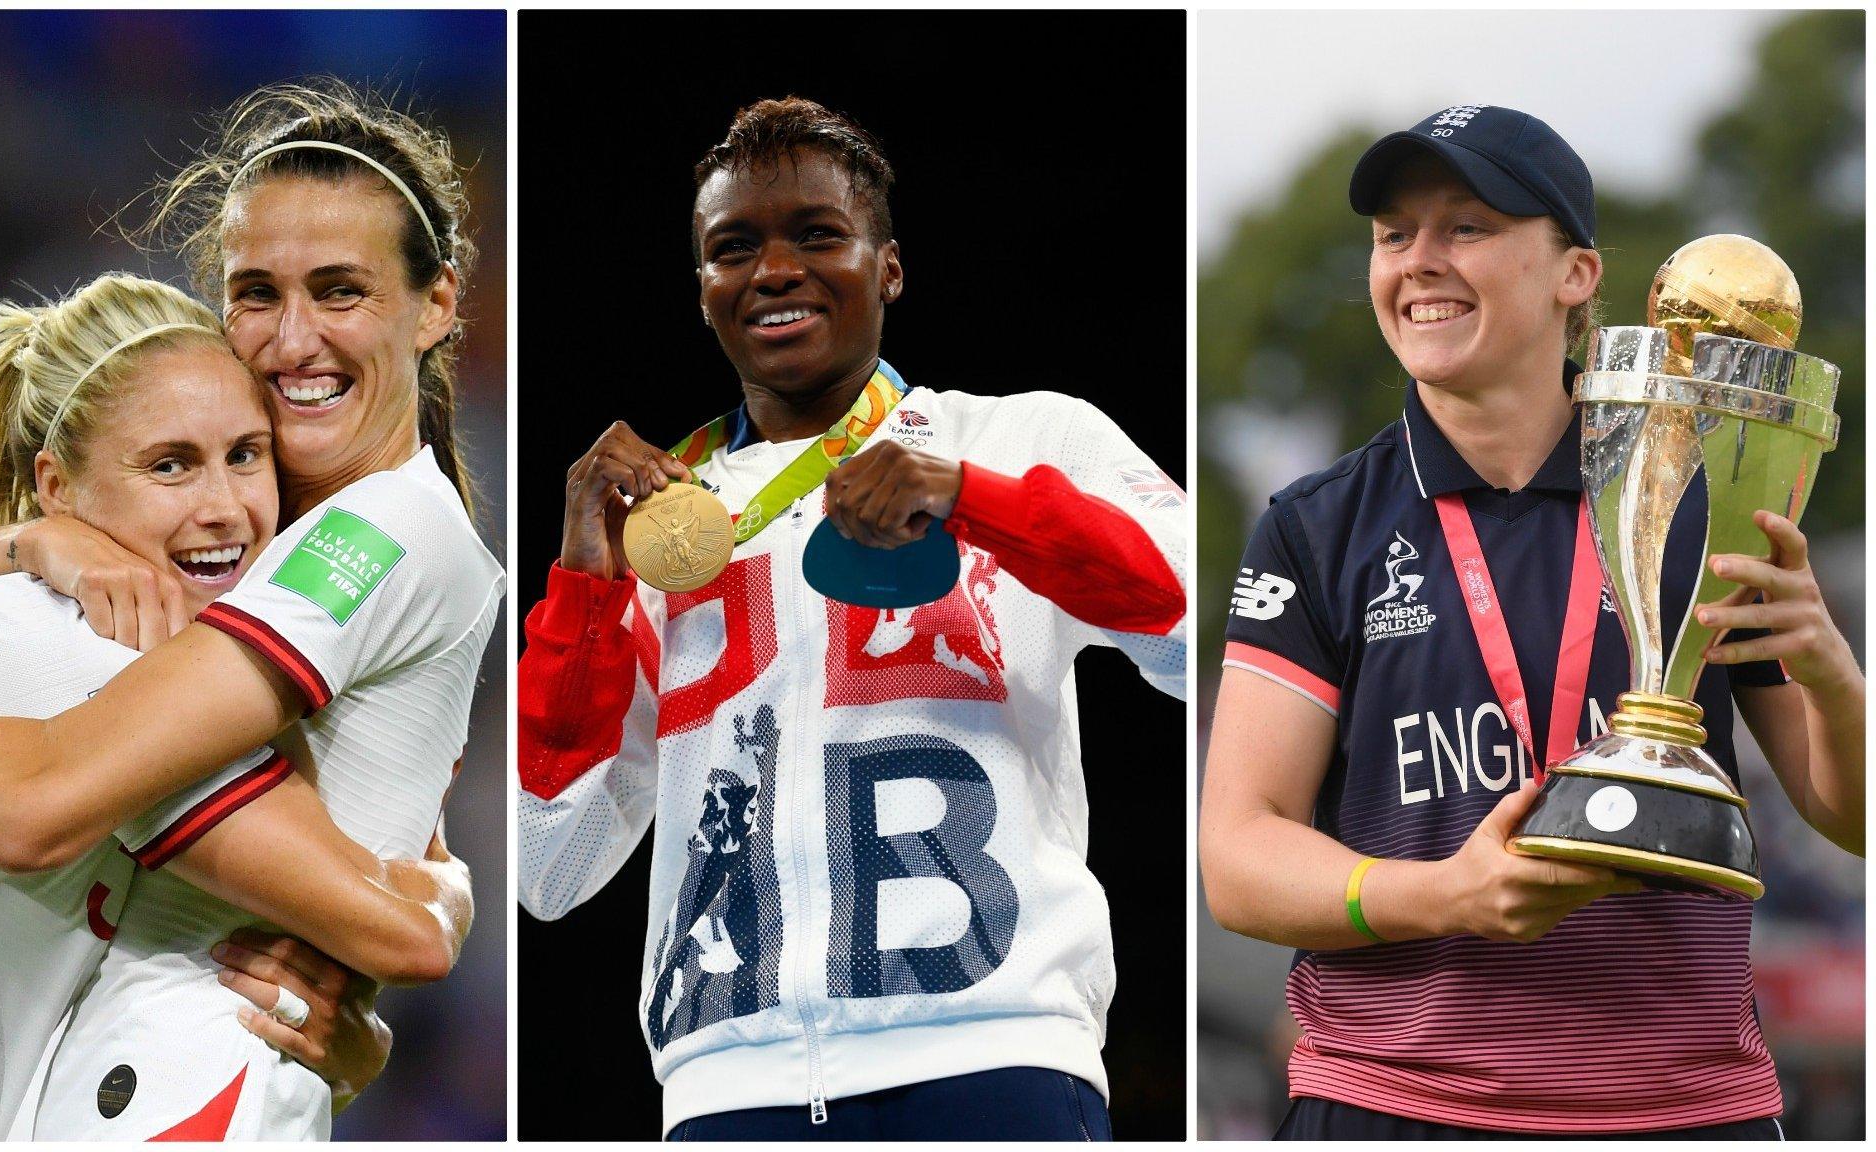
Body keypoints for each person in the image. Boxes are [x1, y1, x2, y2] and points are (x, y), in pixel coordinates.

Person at [0, 79, 505, 1139]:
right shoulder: (87, 631)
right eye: (255, 293)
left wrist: (425, 923)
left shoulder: (364, 539)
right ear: (60, 487)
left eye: (340, 290)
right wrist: (429, 912)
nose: (293, 341)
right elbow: (31, 809)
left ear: (437, 304)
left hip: (160, 1091)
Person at [518, 96, 1186, 1141]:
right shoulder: (662, 529)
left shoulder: (1020, 436)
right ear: (701, 291)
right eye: (731, 248)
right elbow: (549, 869)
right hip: (724, 1093)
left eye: (816, 235)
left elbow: (1199, 641)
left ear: (889, 267)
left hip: (994, 1057)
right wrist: (584, 588)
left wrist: (972, 497)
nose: (772, 271)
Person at [1201, 104, 1864, 1139]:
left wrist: (1828, 672)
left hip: (1680, 1111)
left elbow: (1852, 818)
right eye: (1390, 234)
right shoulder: (1314, 527)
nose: (1416, 261)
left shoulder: (1700, 499)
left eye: (1464, 227)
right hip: (1392, 1104)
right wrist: (1446, 897)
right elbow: (1237, 856)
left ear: (1575, 276)